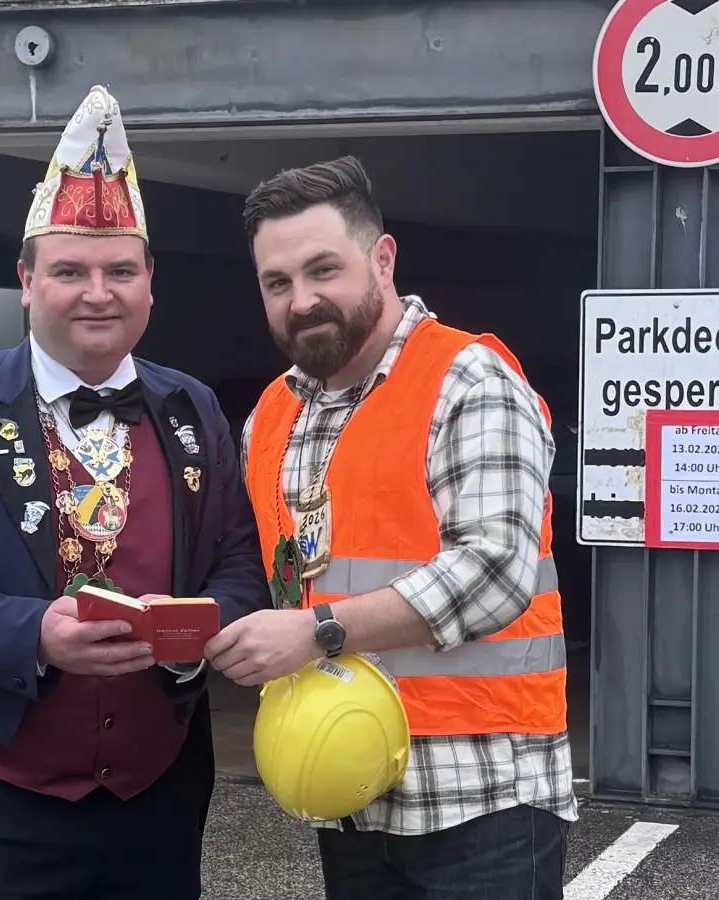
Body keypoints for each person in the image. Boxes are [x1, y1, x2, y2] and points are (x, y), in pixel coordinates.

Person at [0, 85, 268, 900]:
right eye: (69, 270)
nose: (96, 292)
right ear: (26, 281)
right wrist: (31, 633)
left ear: (150, 282)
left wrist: (204, 627)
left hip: (156, 797)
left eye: (119, 270)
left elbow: (238, 561)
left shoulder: (193, 407)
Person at [204, 155, 577, 899]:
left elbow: (494, 571)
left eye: (322, 271)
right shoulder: (274, 415)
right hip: (347, 790)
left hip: (483, 798)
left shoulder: (468, 380)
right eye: (276, 283)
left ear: (382, 259)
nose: (301, 299)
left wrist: (316, 633)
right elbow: (272, 573)